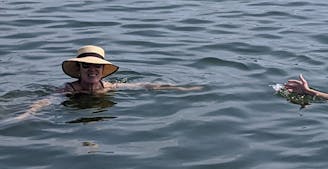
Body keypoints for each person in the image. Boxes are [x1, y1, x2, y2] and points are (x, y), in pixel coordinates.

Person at [17, 45, 201, 119]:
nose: (92, 70)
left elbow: (146, 85)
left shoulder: (110, 87)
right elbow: (44, 102)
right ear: (79, 69)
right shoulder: (68, 90)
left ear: (103, 70)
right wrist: (26, 114)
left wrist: (182, 88)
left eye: (96, 66)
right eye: (86, 65)